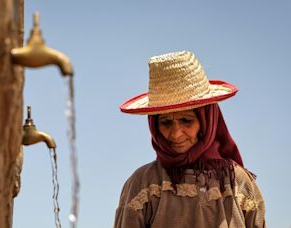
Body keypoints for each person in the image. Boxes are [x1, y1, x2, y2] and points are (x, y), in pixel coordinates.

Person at [114, 51, 266, 228]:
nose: (176, 134)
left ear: (207, 121)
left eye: (187, 121)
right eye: (166, 122)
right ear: (154, 126)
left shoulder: (238, 183)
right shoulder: (143, 183)